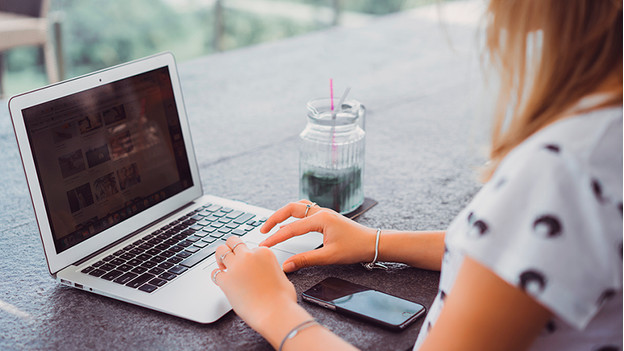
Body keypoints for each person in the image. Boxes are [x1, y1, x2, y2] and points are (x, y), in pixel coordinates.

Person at [210, 0, 623, 350]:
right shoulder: (603, 132)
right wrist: (374, 242)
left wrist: (273, 309)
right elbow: (531, 252)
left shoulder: (564, 169)